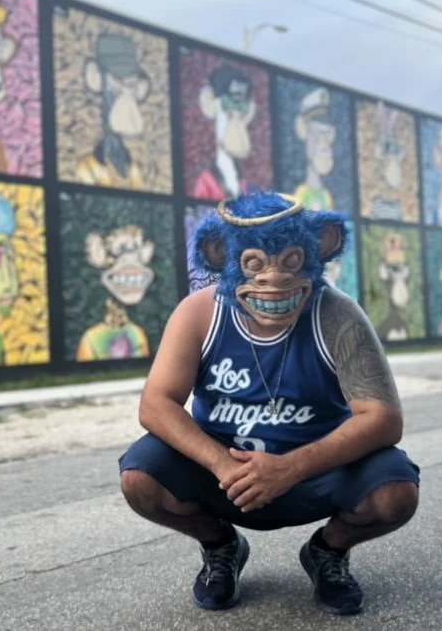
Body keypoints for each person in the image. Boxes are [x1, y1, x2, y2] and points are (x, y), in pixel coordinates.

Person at [119, 191, 420, 615]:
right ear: (222, 258)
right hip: (227, 476)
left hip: (316, 474)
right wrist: (222, 463)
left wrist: (290, 467)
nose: (274, 279)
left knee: (395, 492)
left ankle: (328, 551)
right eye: (255, 264)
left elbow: (384, 419)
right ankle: (220, 545)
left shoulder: (336, 314)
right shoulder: (200, 313)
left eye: (291, 261)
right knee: (140, 478)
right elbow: (156, 405)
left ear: (320, 250)